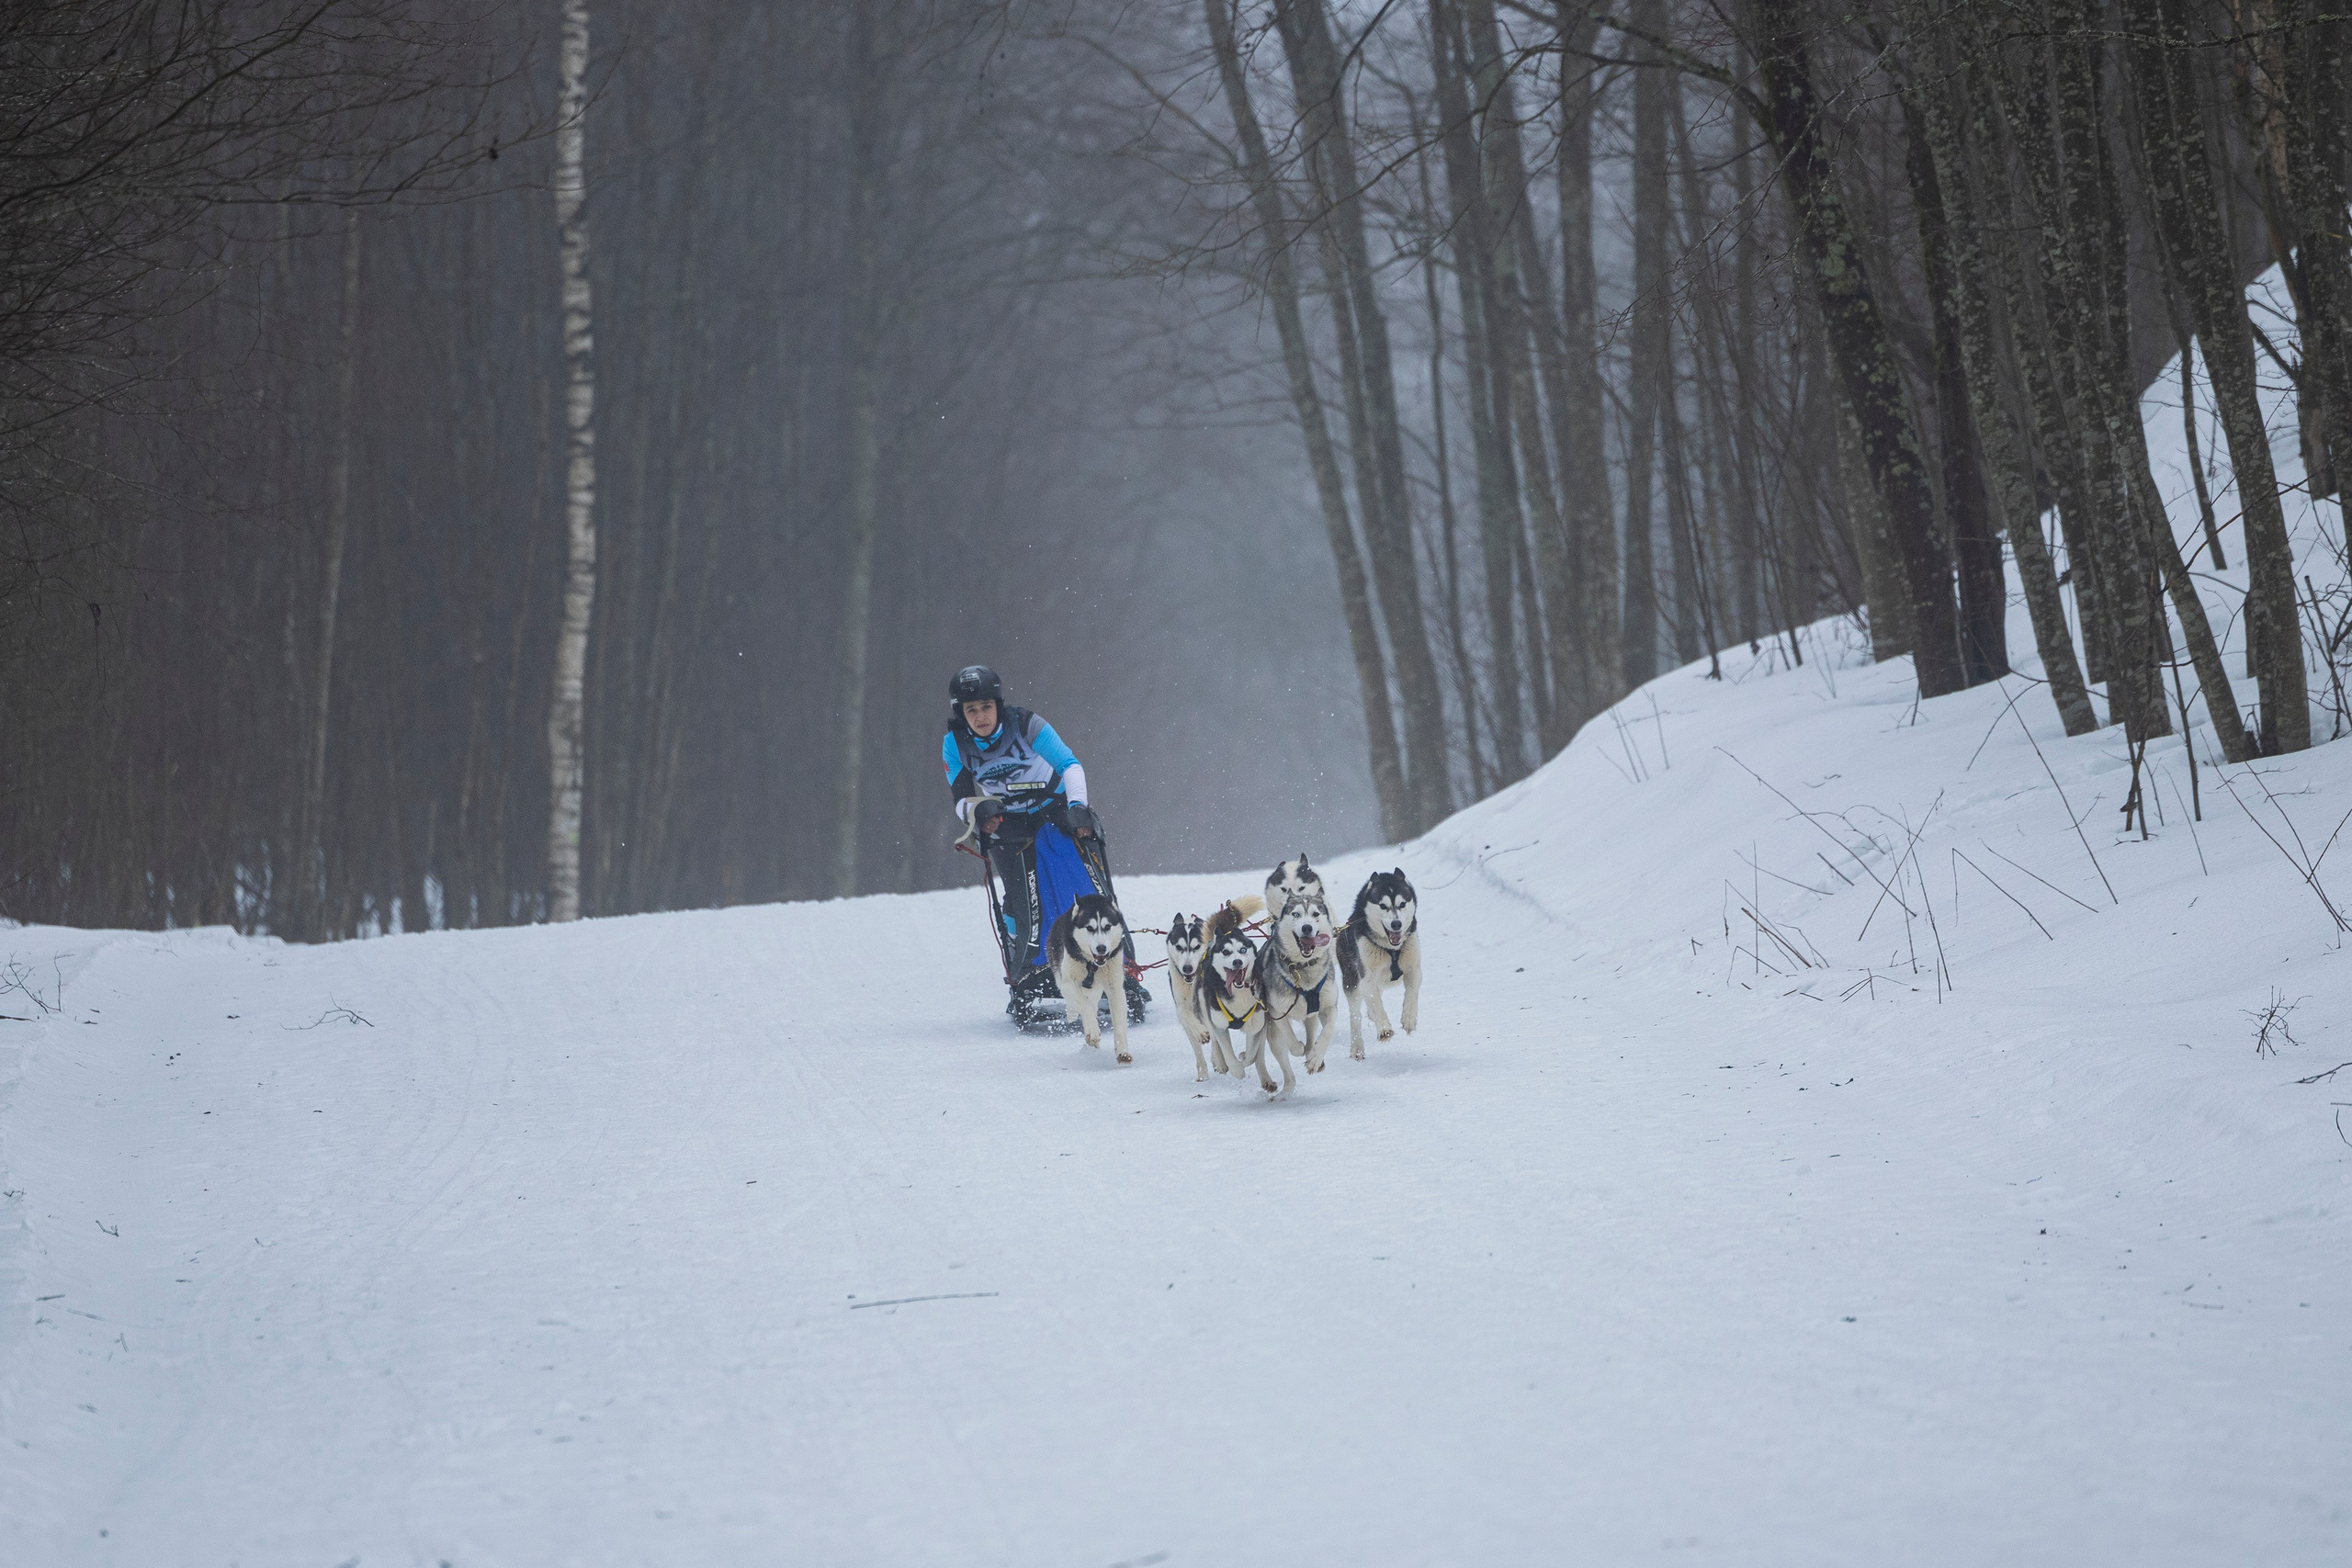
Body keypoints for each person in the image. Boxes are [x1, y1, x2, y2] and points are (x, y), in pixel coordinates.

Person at [941, 664, 1105, 1007]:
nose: (981, 716)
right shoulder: (954, 744)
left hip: (1053, 807)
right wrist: (976, 811)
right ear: (962, 714)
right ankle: (1028, 970)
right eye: (971, 710)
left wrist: (1078, 806)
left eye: (986, 707)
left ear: (998, 706)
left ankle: (1111, 965)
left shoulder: (1027, 724)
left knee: (1079, 887)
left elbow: (1070, 765)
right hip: (1007, 819)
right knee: (1020, 897)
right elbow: (960, 799)